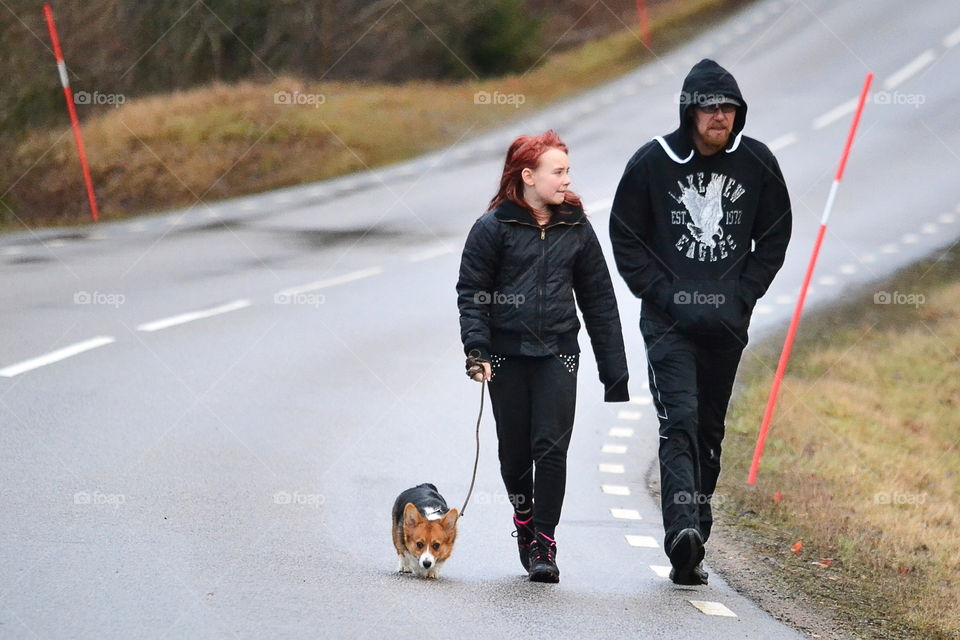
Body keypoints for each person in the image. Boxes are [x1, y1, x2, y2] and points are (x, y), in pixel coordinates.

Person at [609, 59, 792, 585]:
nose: (720, 116)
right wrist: (665, 295)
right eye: (710, 107)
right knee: (680, 422)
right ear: (690, 111)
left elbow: (775, 236)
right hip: (668, 326)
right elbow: (625, 236)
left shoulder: (757, 162)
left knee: (710, 430)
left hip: (726, 327)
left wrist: (743, 296)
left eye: (728, 108)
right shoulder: (653, 162)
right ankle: (680, 533)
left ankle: (696, 540)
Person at [457, 130, 630, 583]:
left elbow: (599, 299)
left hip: (559, 352)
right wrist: (477, 349)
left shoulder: (576, 226)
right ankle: (524, 519)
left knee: (551, 449)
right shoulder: (492, 228)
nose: (567, 180)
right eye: (558, 172)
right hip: (506, 355)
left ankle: (545, 543)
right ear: (528, 176)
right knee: (514, 456)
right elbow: (472, 294)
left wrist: (615, 372)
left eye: (568, 171)